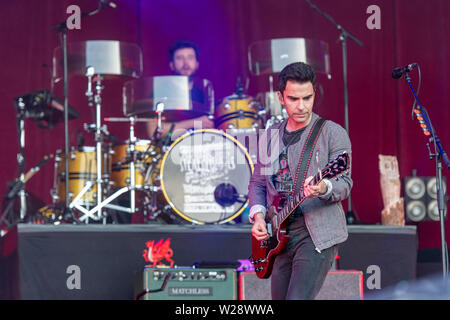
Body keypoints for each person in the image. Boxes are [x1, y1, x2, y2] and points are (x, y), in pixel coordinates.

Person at [248, 62, 353, 300]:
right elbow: (258, 184)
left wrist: (324, 187)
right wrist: (259, 217)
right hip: (279, 235)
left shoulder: (333, 133)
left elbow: (345, 183)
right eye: (294, 99)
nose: (302, 106)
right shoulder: (270, 136)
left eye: (307, 98)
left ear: (315, 93)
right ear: (280, 97)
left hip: (315, 234)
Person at [146, 40, 214, 139]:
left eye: (190, 58)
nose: (186, 63)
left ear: (197, 64)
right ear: (172, 65)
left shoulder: (203, 93)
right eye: (179, 58)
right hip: (171, 150)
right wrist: (194, 123)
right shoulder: (161, 92)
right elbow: (153, 131)